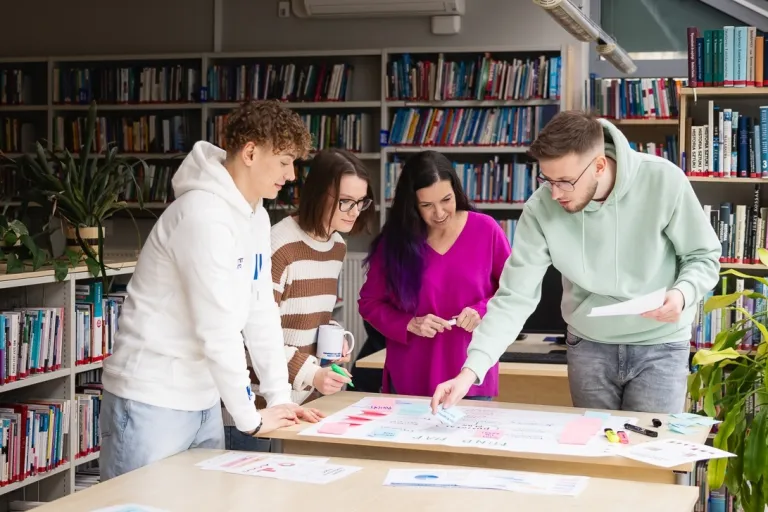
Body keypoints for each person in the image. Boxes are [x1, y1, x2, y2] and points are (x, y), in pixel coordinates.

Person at [431, 111, 721, 415]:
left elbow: (703, 256)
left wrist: (683, 293)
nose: (555, 194)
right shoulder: (541, 208)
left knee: (650, 455)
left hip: (661, 344)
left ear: (598, 166)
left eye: (565, 182)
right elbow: (514, 298)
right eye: (547, 179)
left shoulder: (663, 180)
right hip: (589, 346)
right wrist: (470, 372)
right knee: (593, 457)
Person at [99, 100, 323, 481]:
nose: (290, 175)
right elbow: (216, 327)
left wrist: (280, 398)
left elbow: (259, 311)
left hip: (203, 400)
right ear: (250, 152)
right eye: (285, 161)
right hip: (151, 399)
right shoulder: (202, 214)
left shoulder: (256, 215)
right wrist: (250, 417)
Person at [223, 148, 376, 450]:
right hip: (256, 407)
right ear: (319, 194)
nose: (354, 211)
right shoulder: (279, 244)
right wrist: (311, 373)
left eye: (360, 202)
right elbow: (250, 334)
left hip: (301, 405)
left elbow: (307, 313)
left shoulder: (336, 246)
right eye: (345, 201)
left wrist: (332, 338)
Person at [358, 150, 511, 400]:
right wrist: (408, 323)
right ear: (412, 205)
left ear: (457, 192)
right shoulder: (394, 243)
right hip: (410, 378)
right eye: (427, 205)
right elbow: (369, 303)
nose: (439, 213)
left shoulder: (487, 230)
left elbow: (511, 293)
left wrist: (481, 309)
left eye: (446, 200)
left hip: (470, 376)